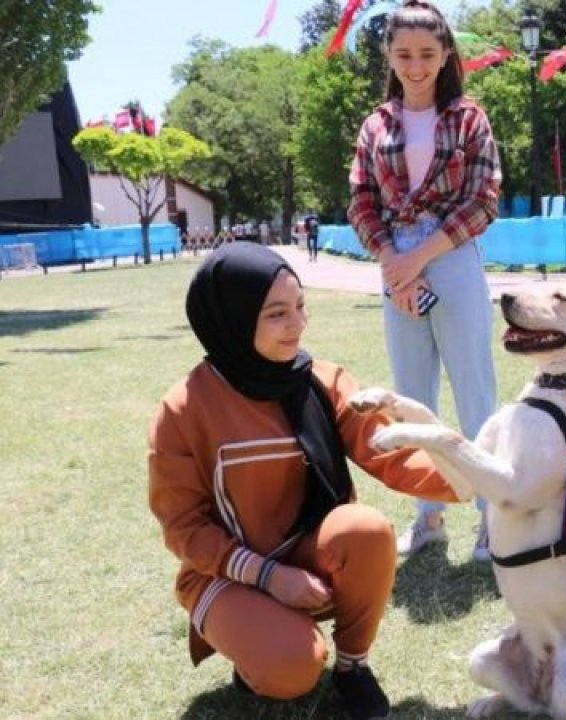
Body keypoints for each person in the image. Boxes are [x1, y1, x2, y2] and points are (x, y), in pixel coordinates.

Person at [148, 242, 467, 720]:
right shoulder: (184, 408)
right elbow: (183, 529)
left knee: (366, 528)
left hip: (309, 555)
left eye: (300, 307)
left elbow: (396, 457)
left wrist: (476, 476)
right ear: (231, 319)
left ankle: (353, 668)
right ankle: (262, 647)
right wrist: (269, 577)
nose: (297, 325)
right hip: (225, 574)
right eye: (276, 313)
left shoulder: (322, 380)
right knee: (292, 673)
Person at [348, 0, 500, 562]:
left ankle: (492, 516)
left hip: (452, 254)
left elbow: (483, 201)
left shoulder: (468, 119)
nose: (415, 65)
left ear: (445, 57)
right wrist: (394, 259)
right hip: (394, 260)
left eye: (427, 54)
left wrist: (422, 256)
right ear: (388, 54)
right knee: (410, 395)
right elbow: (361, 203)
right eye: (404, 53)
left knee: (474, 389)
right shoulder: (375, 126)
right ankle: (428, 515)